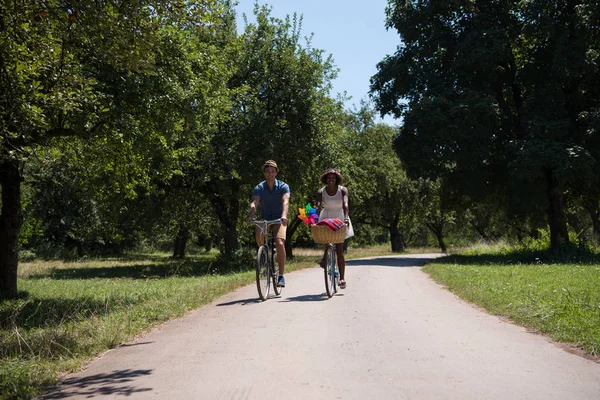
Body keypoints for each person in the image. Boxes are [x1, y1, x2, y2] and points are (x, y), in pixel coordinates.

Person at [248, 160, 291, 287]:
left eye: (272, 171)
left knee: (279, 242)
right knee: (259, 236)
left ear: (276, 172)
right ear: (264, 173)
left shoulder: (283, 186)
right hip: (265, 218)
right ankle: (265, 258)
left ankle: (281, 276)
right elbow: (255, 202)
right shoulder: (259, 187)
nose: (270, 174)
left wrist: (284, 215)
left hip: (279, 218)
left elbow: (285, 201)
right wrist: (251, 214)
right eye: (267, 171)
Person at [315, 168, 354, 289]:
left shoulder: (342, 190)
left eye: (333, 178)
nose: (331, 180)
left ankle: (342, 278)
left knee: (339, 249)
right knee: (327, 240)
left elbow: (345, 205)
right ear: (325, 180)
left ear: (336, 179)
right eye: (328, 178)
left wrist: (346, 218)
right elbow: (317, 205)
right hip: (326, 216)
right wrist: (315, 220)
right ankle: (325, 257)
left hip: (340, 217)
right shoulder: (321, 191)